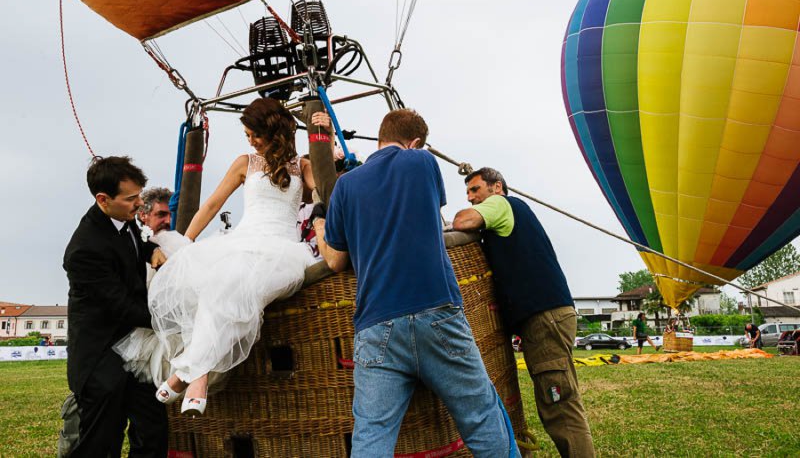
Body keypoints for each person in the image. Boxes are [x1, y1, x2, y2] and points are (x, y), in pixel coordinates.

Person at [313, 109, 518, 457]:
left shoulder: (346, 186)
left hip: (376, 326)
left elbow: (334, 260)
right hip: (436, 311)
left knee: (371, 436)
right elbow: (430, 215)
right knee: (481, 417)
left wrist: (321, 218)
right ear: (416, 143)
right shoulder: (422, 163)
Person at [115, 97, 332, 417]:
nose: (250, 140)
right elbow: (212, 205)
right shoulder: (245, 162)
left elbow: (330, 192)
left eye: (253, 134)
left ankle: (186, 372)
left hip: (281, 249)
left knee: (242, 283)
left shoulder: (302, 166)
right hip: (243, 241)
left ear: (272, 131)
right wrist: (185, 244)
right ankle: (198, 377)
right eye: (246, 135)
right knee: (224, 281)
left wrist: (322, 139)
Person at [452, 166, 595, 458]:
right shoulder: (511, 212)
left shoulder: (502, 204)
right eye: (467, 192)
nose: (470, 197)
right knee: (556, 400)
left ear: (497, 187)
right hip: (548, 316)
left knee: (560, 407)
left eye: (475, 189)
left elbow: (461, 221)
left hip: (545, 317)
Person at [63, 156, 168, 457]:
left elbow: (127, 248)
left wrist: (151, 250)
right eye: (131, 199)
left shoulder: (124, 218)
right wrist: (170, 319)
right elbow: (120, 306)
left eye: (139, 195)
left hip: (134, 350)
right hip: (101, 357)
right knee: (102, 443)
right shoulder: (84, 249)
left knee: (152, 431)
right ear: (103, 199)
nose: (139, 205)